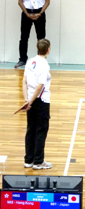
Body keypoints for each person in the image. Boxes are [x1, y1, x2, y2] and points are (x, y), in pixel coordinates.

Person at [22, 39, 52, 170]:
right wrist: (32, 100)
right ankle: (38, 161)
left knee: (31, 129)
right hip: (40, 101)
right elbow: (40, 86)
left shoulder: (30, 62)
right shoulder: (44, 65)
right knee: (41, 130)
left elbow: (24, 81)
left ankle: (28, 159)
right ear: (48, 49)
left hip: (30, 99)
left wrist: (26, 100)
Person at [15, 0, 51, 68]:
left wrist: (40, 13)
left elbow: (47, 2)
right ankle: (22, 60)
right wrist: (27, 14)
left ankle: (41, 60)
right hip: (26, 12)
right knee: (24, 37)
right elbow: (20, 1)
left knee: (41, 38)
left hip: (40, 12)